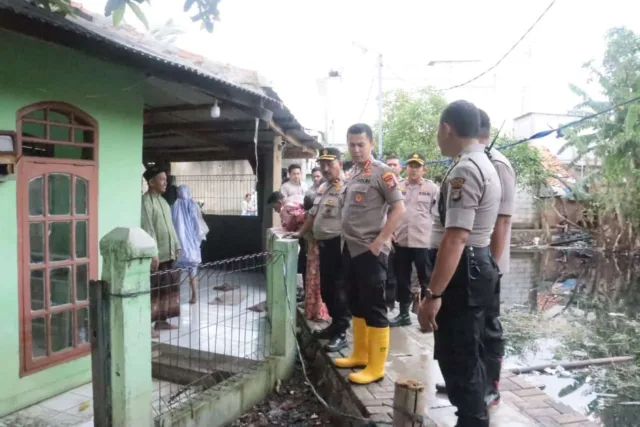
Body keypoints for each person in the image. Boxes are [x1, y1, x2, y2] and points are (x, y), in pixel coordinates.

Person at [418, 100, 501, 427]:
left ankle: (472, 420)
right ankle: (472, 417)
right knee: (470, 351)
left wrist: (433, 296)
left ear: (446, 128)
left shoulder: (465, 170)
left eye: (439, 129)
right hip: (478, 266)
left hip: (464, 272)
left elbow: (455, 238)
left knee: (459, 355)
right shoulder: (486, 162)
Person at [434, 110, 516, 408]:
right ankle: (470, 386)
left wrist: (487, 269)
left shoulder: (494, 165)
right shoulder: (473, 162)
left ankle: (488, 388)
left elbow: (502, 222)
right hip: (473, 262)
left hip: (482, 261)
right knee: (467, 339)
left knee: (487, 331)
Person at [334, 123, 406, 385]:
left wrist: (379, 242)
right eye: (351, 144)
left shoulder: (383, 173)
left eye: (360, 144)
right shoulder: (352, 173)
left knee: (375, 307)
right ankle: (360, 355)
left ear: (371, 144)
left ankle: (376, 367)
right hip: (350, 248)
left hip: (370, 250)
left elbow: (399, 209)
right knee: (355, 302)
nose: (355, 149)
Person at [290, 147, 350, 352]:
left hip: (339, 245)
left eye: (329, 164)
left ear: (340, 164)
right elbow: (312, 215)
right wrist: (299, 233)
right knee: (325, 289)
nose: (325, 168)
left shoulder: (348, 187)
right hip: (322, 245)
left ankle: (342, 332)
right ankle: (334, 324)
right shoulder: (323, 188)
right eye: (322, 164)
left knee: (339, 290)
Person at [389, 152, 438, 327]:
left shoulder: (432, 189)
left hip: (423, 241)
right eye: (411, 166)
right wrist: (390, 230)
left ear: (424, 169)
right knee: (402, 279)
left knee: (427, 279)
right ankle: (403, 314)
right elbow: (390, 210)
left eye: (417, 166)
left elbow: (438, 214)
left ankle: (428, 317)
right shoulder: (397, 186)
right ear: (406, 168)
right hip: (401, 240)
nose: (414, 169)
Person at [141, 166, 182, 339]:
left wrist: (177, 245)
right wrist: (153, 253)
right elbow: (148, 229)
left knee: (169, 288)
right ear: (151, 182)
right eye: (162, 179)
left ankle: (161, 320)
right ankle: (147, 325)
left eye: (166, 179)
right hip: (158, 256)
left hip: (169, 253)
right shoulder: (146, 202)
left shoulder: (163, 202)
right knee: (154, 291)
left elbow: (170, 227)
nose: (166, 182)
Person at [172, 185, 209, 304]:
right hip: (192, 244)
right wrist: (198, 237)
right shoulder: (193, 205)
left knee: (176, 271)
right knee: (193, 271)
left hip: (178, 243)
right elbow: (198, 223)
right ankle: (194, 295)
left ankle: (175, 296)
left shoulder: (173, 205)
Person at [384, 154, 403, 311]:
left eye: (394, 164)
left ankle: (403, 308)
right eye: (389, 164)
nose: (392, 167)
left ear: (400, 167)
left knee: (402, 274)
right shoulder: (383, 184)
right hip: (388, 234)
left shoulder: (404, 184)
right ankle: (389, 303)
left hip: (406, 236)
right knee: (388, 271)